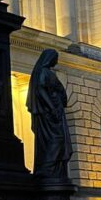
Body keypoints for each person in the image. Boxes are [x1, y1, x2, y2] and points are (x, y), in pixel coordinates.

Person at [26, 49, 72, 178]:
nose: (57, 61)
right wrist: (52, 108)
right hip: (50, 114)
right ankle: (48, 169)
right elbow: (41, 90)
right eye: (55, 58)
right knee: (57, 140)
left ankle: (54, 170)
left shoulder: (46, 72)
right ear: (50, 58)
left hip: (54, 112)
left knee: (57, 141)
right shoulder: (44, 72)